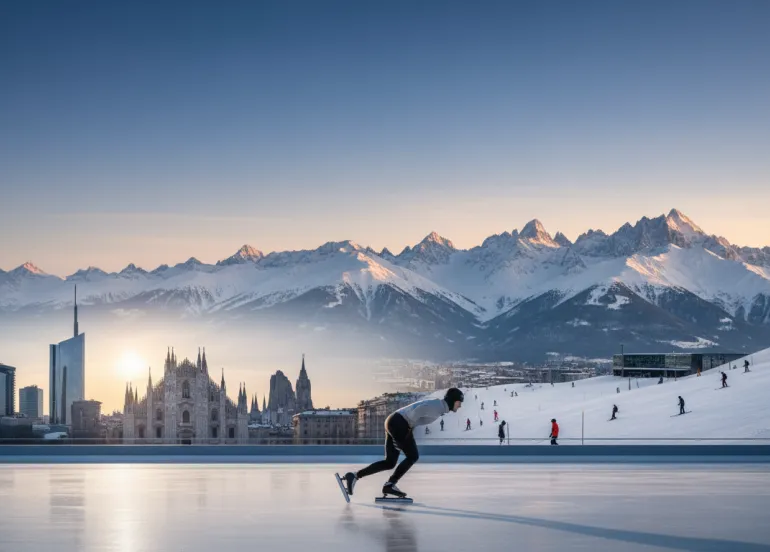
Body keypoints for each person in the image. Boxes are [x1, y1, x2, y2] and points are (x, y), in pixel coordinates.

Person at [342, 388, 464, 499]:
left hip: (394, 421)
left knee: (390, 462)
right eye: (459, 402)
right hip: (399, 423)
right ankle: (390, 484)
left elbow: (418, 414)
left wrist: (407, 429)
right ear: (452, 400)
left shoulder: (439, 407)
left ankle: (354, 476)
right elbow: (418, 411)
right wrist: (407, 430)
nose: (460, 406)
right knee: (413, 456)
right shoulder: (437, 407)